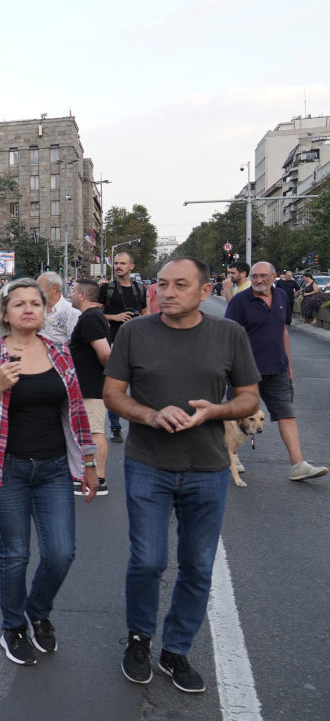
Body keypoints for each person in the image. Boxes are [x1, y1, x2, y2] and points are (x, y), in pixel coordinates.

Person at [105, 257, 261, 694]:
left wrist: (217, 410)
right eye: (162, 284)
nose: (167, 292)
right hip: (148, 462)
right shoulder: (135, 333)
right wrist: (151, 415)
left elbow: (250, 398)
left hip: (207, 467)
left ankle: (175, 650)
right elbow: (112, 395)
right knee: (148, 560)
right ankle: (139, 641)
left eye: (180, 284)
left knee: (197, 565)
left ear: (205, 291)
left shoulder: (229, 334)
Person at [0, 277, 98, 666]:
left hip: (54, 470)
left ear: (44, 311)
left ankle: (37, 611)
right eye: (18, 304)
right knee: (15, 554)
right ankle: (13, 627)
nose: (27, 309)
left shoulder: (60, 353)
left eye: (35, 304)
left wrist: (89, 464)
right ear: (5, 313)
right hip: (5, 470)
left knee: (61, 553)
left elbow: (76, 412)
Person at [223, 262, 326, 481]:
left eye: (263, 276)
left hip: (277, 369)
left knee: (286, 414)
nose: (258, 280)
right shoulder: (240, 301)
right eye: (254, 276)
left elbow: (283, 332)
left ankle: (298, 465)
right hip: (245, 370)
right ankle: (233, 456)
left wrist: (288, 365)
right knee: (237, 414)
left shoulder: (280, 296)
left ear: (274, 276)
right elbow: (228, 335)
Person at [68, 279, 112, 495]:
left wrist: (111, 378)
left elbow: (105, 354)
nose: (71, 294)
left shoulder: (90, 318)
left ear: (83, 295)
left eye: (73, 291)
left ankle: (99, 479)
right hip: (87, 384)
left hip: (91, 385)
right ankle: (85, 475)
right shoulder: (92, 317)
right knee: (87, 432)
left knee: (94, 432)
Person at [99, 252, 148, 443]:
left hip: (136, 344)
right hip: (113, 343)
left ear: (131, 267)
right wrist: (115, 317)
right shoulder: (107, 288)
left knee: (141, 386)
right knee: (115, 388)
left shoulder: (140, 288)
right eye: (116, 263)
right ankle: (115, 428)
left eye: (123, 263)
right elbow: (95, 314)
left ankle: (141, 424)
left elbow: (145, 314)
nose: (118, 266)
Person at [38, 272, 79, 346]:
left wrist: (54, 350)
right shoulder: (36, 308)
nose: (36, 291)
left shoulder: (72, 312)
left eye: (39, 288)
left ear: (54, 289)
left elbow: (73, 341)